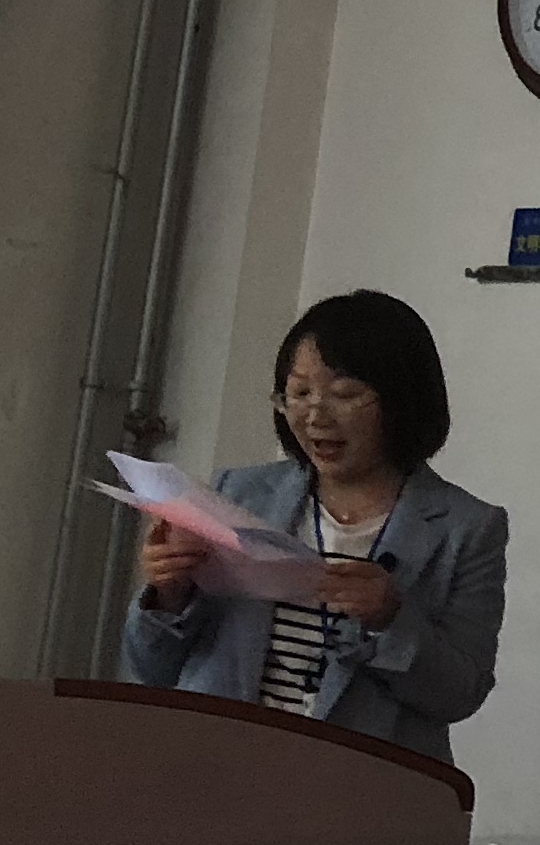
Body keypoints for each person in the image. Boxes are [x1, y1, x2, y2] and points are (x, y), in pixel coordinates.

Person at [122, 289, 507, 764]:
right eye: (299, 393)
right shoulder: (239, 494)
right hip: (222, 771)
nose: (315, 415)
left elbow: (460, 694)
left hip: (359, 784)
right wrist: (167, 596)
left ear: (402, 399)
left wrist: (390, 621)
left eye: (345, 394)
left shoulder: (465, 528)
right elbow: (153, 669)